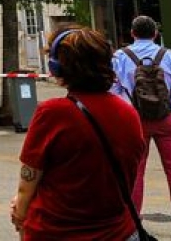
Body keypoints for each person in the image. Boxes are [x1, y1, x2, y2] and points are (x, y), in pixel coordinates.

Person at [11, 25, 146, 240]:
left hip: (56, 232)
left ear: (57, 67)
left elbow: (28, 182)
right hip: (118, 232)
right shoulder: (128, 113)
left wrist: (20, 212)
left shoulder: (53, 112)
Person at [111, 15, 171, 239]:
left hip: (135, 120)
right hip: (166, 119)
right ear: (156, 34)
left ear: (132, 33)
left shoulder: (120, 57)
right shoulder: (169, 55)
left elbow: (114, 91)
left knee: (136, 171)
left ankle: (132, 223)